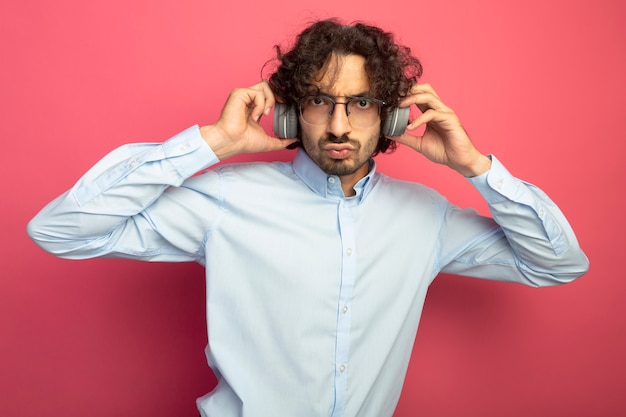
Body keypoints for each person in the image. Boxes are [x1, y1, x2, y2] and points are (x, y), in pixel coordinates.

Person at [27, 18, 589, 417]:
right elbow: (60, 230)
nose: (339, 127)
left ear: (392, 117)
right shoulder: (226, 199)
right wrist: (213, 144)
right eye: (321, 101)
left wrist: (477, 168)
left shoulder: (428, 219)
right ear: (294, 110)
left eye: (362, 103)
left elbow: (557, 264)